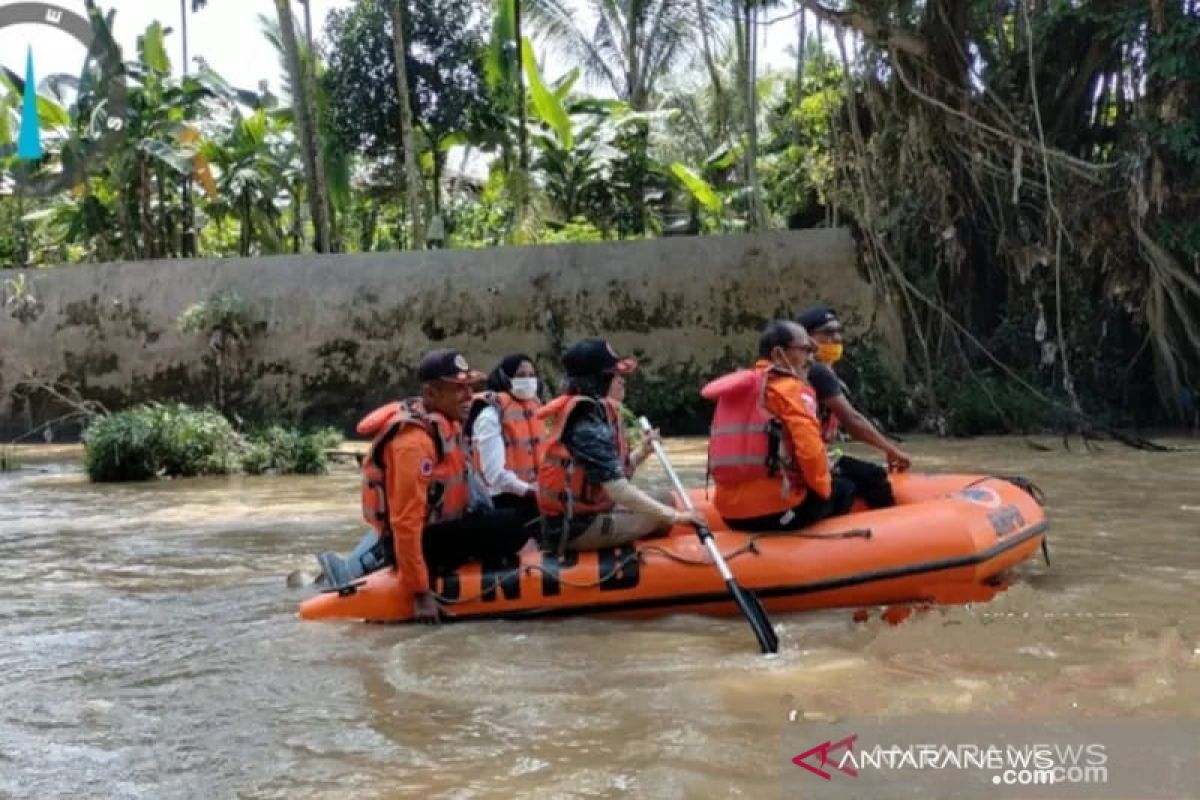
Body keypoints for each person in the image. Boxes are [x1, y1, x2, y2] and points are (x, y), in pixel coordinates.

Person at [317, 348, 531, 622]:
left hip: (437, 529)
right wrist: (419, 593)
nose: (469, 396)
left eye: (470, 387)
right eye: (458, 389)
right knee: (512, 526)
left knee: (508, 514)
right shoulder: (412, 444)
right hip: (418, 541)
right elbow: (407, 523)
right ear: (431, 393)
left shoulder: (445, 422)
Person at [535, 338, 705, 553]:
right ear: (598, 379)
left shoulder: (595, 414)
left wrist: (643, 450)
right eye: (614, 375)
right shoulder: (585, 424)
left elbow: (613, 474)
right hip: (575, 528)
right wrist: (678, 518)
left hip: (589, 514)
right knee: (666, 514)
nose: (621, 380)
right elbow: (619, 490)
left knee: (664, 498)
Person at [702, 320, 855, 531]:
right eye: (805, 349)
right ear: (777, 354)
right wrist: (824, 488)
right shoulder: (790, 390)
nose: (811, 357)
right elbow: (811, 452)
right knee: (845, 488)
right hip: (776, 511)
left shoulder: (736, 390)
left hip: (728, 513)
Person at [796, 305, 912, 508]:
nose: (837, 338)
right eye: (828, 332)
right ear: (806, 338)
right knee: (873, 478)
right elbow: (852, 421)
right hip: (804, 462)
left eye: (838, 331)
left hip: (805, 459)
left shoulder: (808, 371)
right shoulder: (817, 372)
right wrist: (891, 450)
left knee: (857, 477)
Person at [465, 353, 543, 525]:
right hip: (501, 501)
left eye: (532, 375)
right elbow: (494, 475)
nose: (528, 380)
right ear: (505, 378)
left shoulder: (537, 407)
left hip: (536, 496)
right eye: (521, 375)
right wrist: (529, 490)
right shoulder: (490, 414)